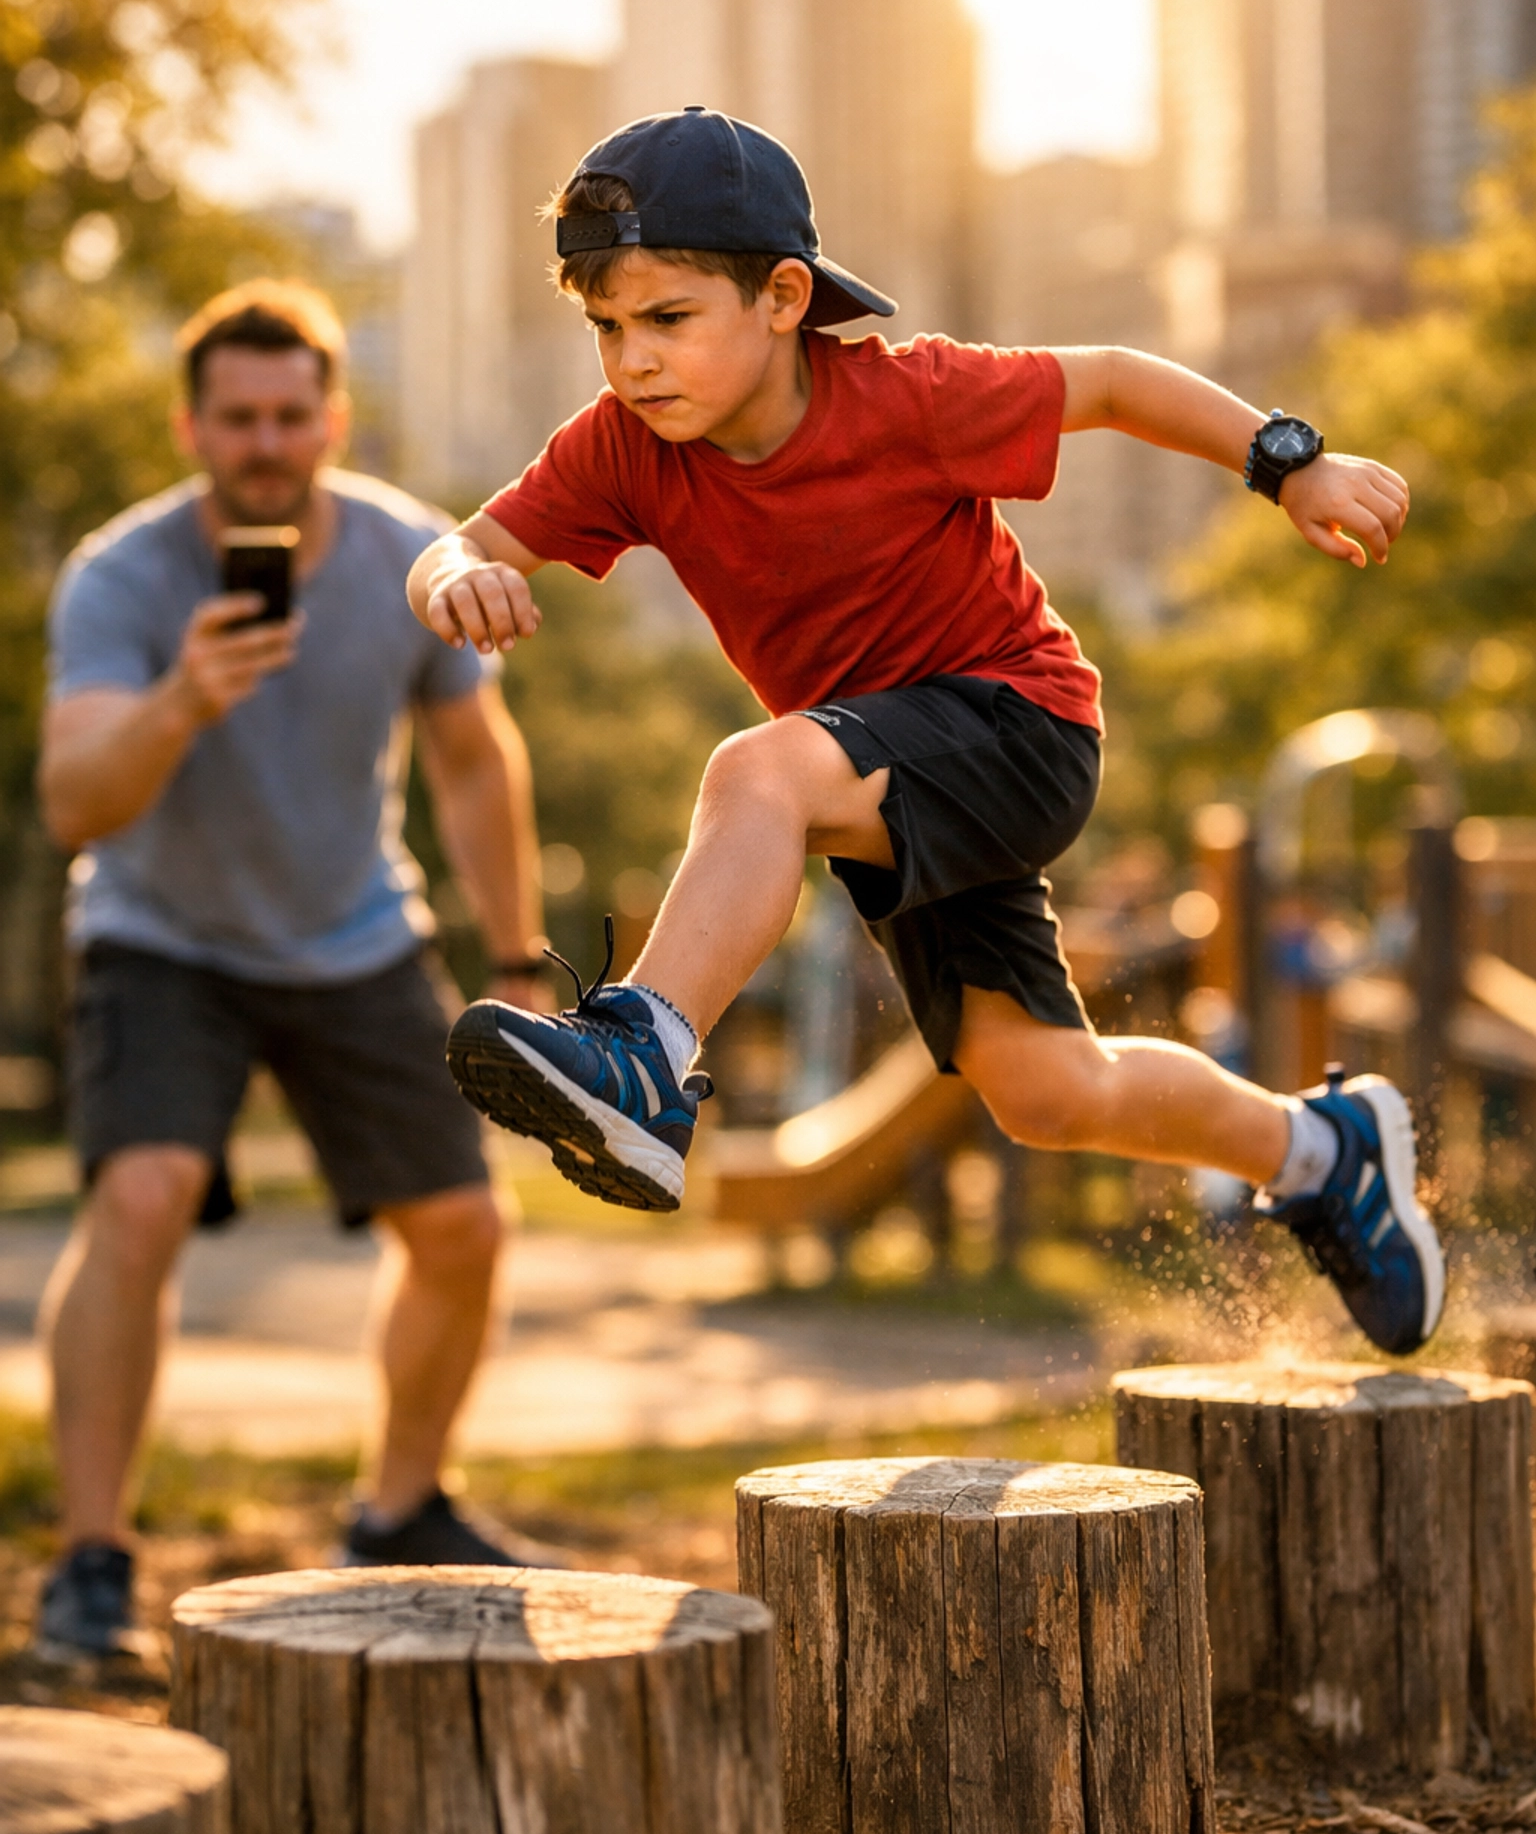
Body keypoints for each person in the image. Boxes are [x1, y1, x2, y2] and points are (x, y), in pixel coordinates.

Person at [407, 108, 1443, 1364]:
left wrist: (1293, 464)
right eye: (606, 328)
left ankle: (642, 1054)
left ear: (784, 297)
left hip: (1018, 726)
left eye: (668, 319)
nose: (633, 362)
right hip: (880, 782)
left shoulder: (905, 397)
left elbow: (1110, 379)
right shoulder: (623, 451)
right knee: (1050, 1092)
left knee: (758, 766)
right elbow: (465, 537)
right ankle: (1326, 1153)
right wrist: (451, 574)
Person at [35, 280, 550, 1662]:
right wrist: (181, 697)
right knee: (139, 1196)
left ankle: (399, 1510)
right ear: (191, 424)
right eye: (237, 416)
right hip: (163, 937)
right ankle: (91, 1562)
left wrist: (517, 959)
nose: (266, 440)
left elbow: (472, 759)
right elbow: (75, 801)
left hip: (354, 931)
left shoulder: (409, 557)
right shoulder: (124, 577)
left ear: (333, 416)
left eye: (289, 413)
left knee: (463, 1228)